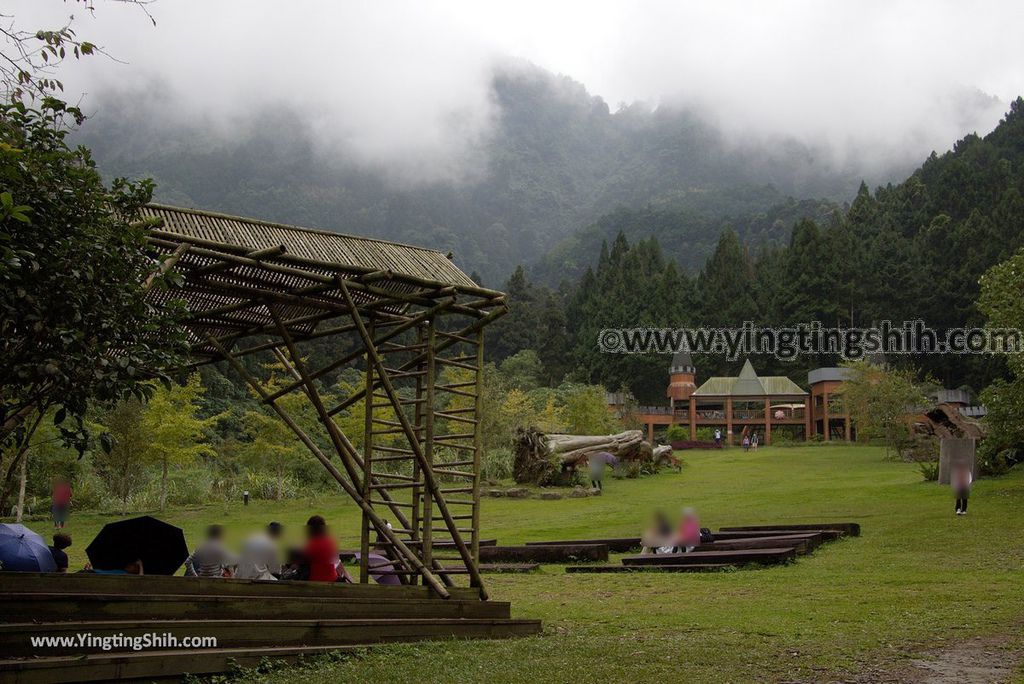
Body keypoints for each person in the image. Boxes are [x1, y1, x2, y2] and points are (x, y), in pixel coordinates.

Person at [303, 515, 340, 582]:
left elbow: (304, 560)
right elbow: (335, 560)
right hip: (332, 578)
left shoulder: (311, 544)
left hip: (315, 580)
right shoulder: (332, 541)